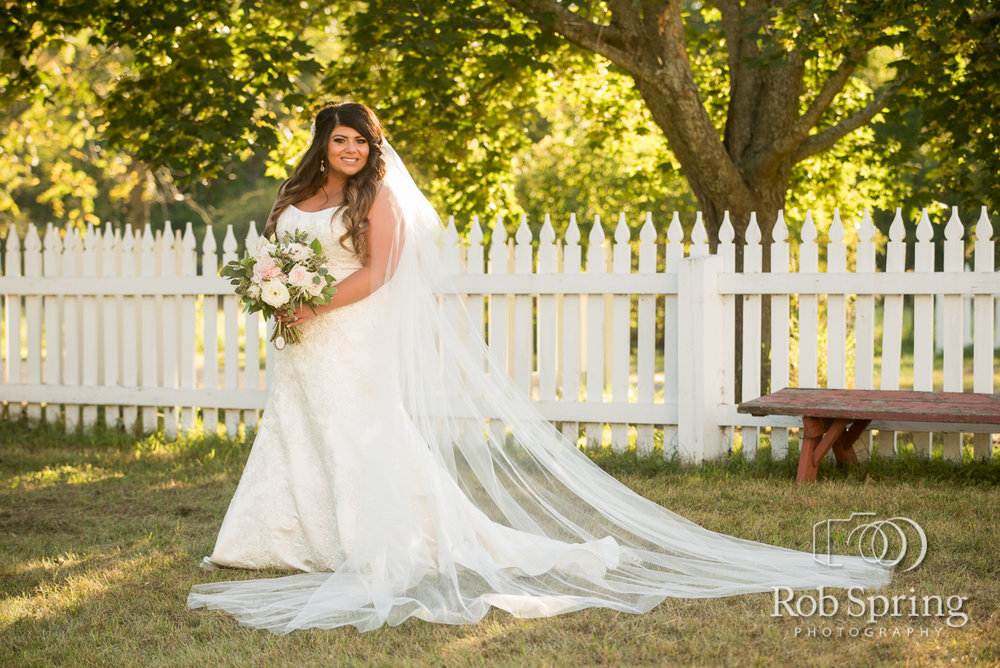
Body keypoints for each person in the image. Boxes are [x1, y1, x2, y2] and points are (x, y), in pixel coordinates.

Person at [188, 102, 890, 634]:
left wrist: (313, 307)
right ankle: (286, 537)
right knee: (295, 426)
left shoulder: (381, 199)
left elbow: (378, 275)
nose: (348, 149)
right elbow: (277, 260)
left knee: (360, 431)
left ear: (373, 146)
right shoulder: (293, 197)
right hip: (301, 337)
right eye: (337, 139)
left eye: (359, 140)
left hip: (349, 329)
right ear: (322, 144)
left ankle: (388, 536)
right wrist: (279, 296)